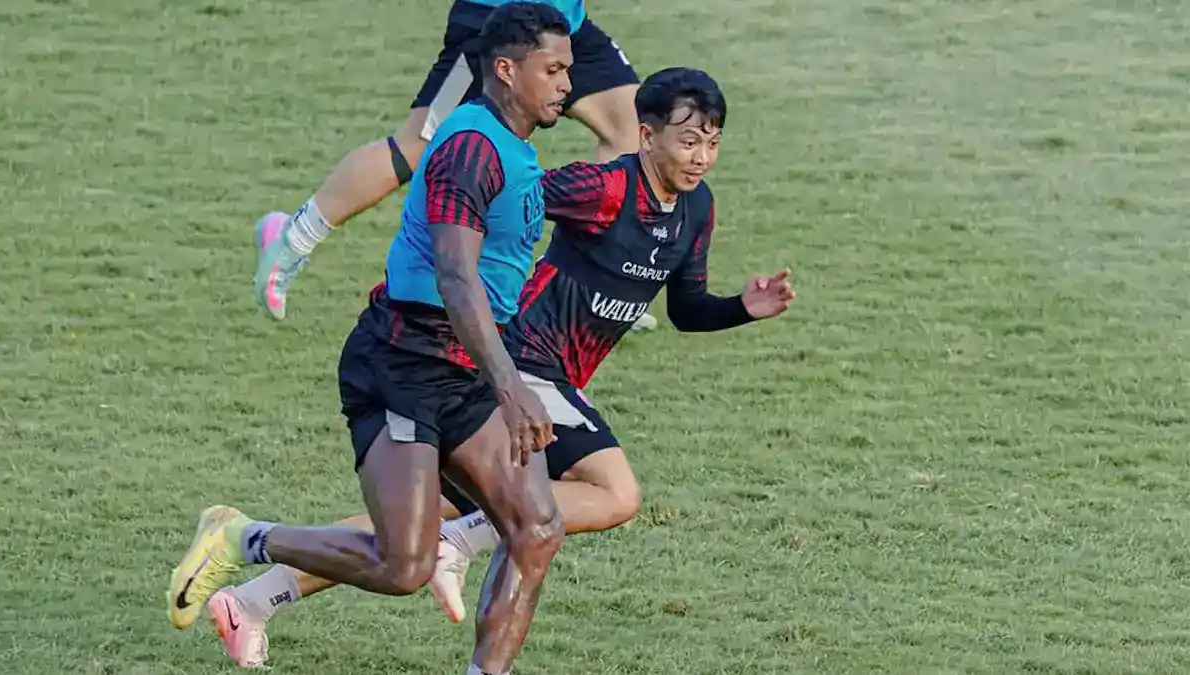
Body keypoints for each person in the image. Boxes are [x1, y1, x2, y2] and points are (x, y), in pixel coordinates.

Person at [202, 66, 796, 669]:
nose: (701, 157)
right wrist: (446, 271)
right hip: (520, 364)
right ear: (646, 137)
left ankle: (250, 599)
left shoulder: (697, 210)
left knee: (416, 526)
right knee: (614, 494)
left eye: (712, 143)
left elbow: (688, 309)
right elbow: (514, 197)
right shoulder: (606, 189)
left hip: (541, 377)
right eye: (688, 140)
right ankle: (458, 549)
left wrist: (743, 308)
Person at [167, 6, 578, 675]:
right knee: (404, 564)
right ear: (505, 70)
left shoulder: (516, 145)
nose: (568, 82)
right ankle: (242, 536)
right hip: (404, 363)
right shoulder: (471, 148)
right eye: (554, 69)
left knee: (537, 527)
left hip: (466, 361)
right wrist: (514, 388)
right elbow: (455, 275)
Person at [251, 0, 658, 330]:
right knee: (415, 147)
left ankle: (592, 287)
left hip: (563, 25)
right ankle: (291, 240)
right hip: (496, 25)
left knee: (632, 126)